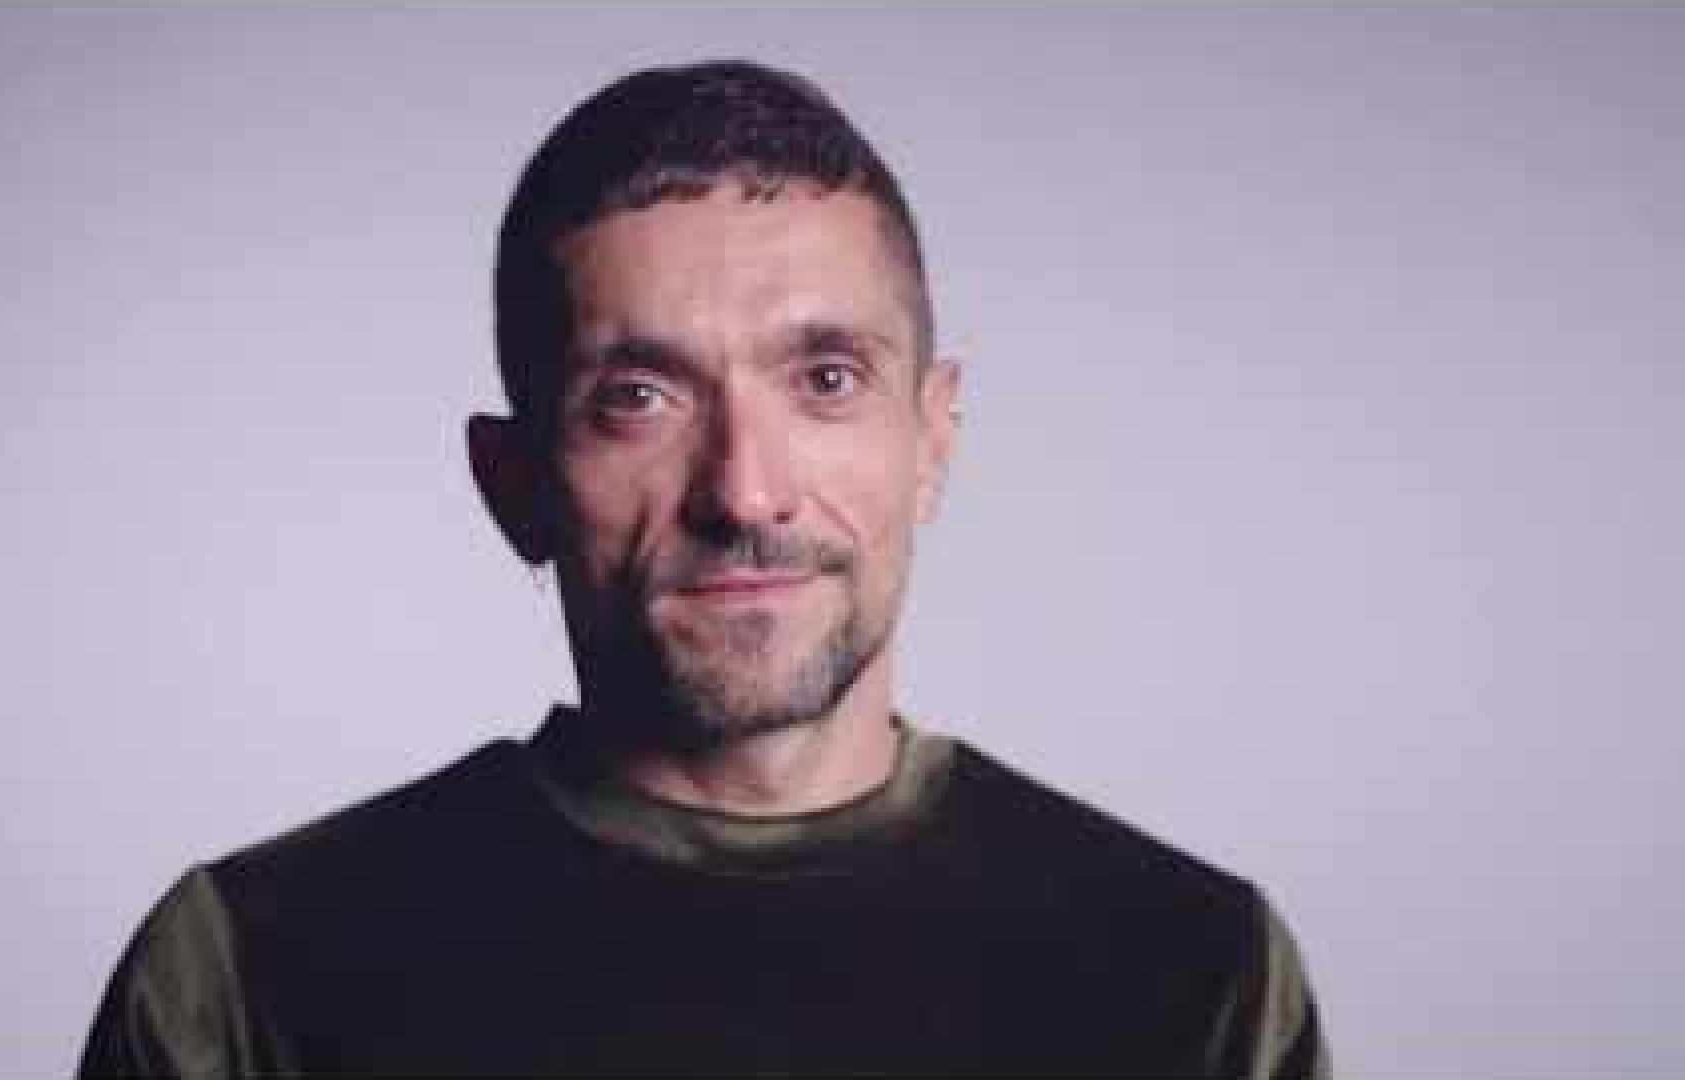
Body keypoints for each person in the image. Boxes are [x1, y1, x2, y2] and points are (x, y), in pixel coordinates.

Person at [78, 59, 1329, 1078]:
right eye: (637, 397)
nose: (742, 490)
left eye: (826, 379)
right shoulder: (251, 980)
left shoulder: (1194, 976)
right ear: (512, 482)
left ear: (933, 441)